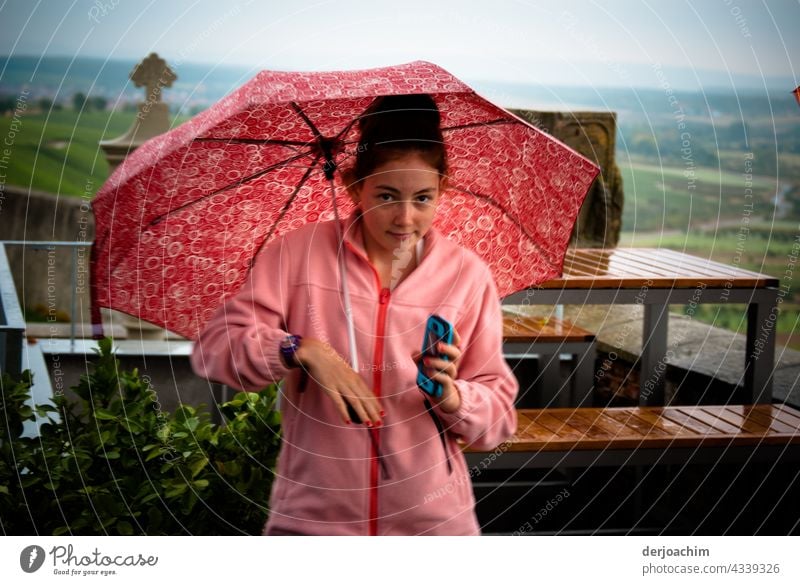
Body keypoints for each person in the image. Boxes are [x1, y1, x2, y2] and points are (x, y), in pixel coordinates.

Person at [190, 93, 518, 535]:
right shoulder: (297, 255)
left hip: (434, 528)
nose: (405, 218)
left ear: (443, 190)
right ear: (352, 187)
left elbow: (498, 420)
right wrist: (298, 349)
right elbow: (216, 349)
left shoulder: (468, 275)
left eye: (423, 198)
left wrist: (453, 398)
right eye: (386, 196)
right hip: (313, 526)